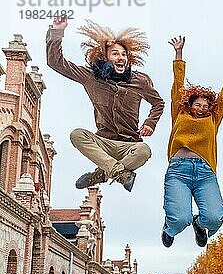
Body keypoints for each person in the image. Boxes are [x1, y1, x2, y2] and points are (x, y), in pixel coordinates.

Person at [46, 16, 164, 192]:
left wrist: (150, 123)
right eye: (115, 54)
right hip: (103, 143)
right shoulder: (91, 77)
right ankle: (119, 173)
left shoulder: (140, 81)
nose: (121, 58)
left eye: (124, 54)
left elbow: (158, 103)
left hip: (129, 146)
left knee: (144, 150)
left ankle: (100, 175)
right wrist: (57, 32)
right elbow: (56, 63)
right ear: (105, 57)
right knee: (77, 134)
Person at [161, 32, 223, 248]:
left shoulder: (213, 119)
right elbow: (178, 84)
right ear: (189, 104)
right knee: (180, 219)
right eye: (198, 104)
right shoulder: (179, 112)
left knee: (215, 218)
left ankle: (199, 223)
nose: (202, 108)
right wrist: (179, 53)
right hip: (179, 171)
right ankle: (169, 226)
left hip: (205, 172)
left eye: (206, 106)